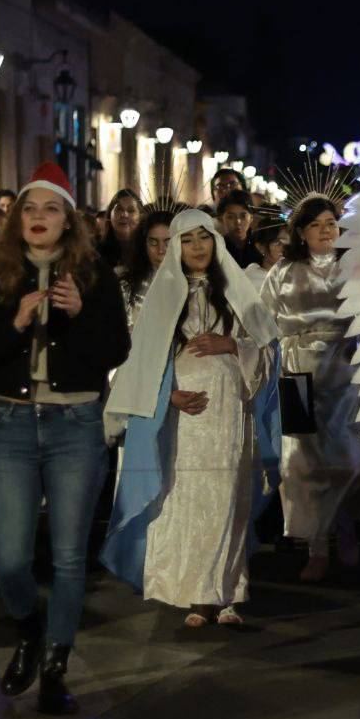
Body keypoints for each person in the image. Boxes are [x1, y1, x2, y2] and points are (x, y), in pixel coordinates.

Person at [0, 163, 130, 716]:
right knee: (9, 558)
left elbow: (114, 351)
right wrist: (13, 323)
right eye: (30, 209)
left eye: (51, 209)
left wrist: (80, 316)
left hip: (75, 424)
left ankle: (56, 665)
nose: (38, 218)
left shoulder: (95, 275)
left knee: (66, 557)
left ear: (68, 221)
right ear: (17, 220)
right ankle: (29, 629)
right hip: (11, 425)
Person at [103, 209, 277, 627]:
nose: (197, 247)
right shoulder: (161, 298)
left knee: (229, 493)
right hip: (182, 414)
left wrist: (233, 346)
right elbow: (143, 360)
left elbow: (270, 350)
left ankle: (229, 591)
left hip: (230, 410)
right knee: (186, 495)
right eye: (188, 240)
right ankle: (197, 594)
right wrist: (169, 396)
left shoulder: (240, 293)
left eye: (204, 238)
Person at [260, 194, 360, 583]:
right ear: (302, 232)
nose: (326, 230)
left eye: (331, 223)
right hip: (297, 375)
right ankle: (317, 547)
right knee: (304, 464)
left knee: (351, 459)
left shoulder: (353, 266)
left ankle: (346, 525)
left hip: (344, 371)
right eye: (316, 224)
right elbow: (261, 319)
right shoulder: (284, 271)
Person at [117, 209, 176, 331]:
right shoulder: (126, 285)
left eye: (168, 243)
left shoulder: (194, 283)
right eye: (153, 243)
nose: (161, 250)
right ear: (144, 245)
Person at [96, 189, 143, 271]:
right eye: (119, 209)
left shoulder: (147, 250)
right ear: (110, 214)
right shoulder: (96, 251)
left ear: (140, 217)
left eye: (131, 210)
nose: (124, 214)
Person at [217, 189, 263, 268]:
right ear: (221, 219)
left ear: (251, 217)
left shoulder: (261, 245)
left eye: (243, 216)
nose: (238, 222)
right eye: (231, 217)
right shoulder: (218, 248)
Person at [245, 216, 287, 291]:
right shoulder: (252, 280)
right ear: (261, 247)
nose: (285, 248)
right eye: (278, 243)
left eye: (288, 243)